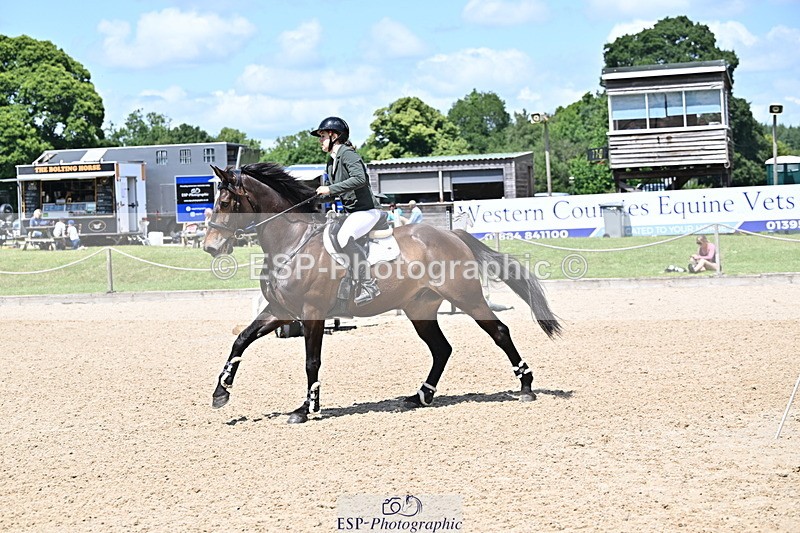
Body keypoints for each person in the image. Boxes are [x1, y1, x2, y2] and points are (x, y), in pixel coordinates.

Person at [311, 116, 382, 305]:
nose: (320, 140)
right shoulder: (331, 161)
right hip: (352, 213)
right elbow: (334, 190)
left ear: (335, 136)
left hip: (367, 211)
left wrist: (330, 189)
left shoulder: (348, 154)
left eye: (323, 136)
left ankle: (368, 284)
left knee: (344, 238)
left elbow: (360, 179)